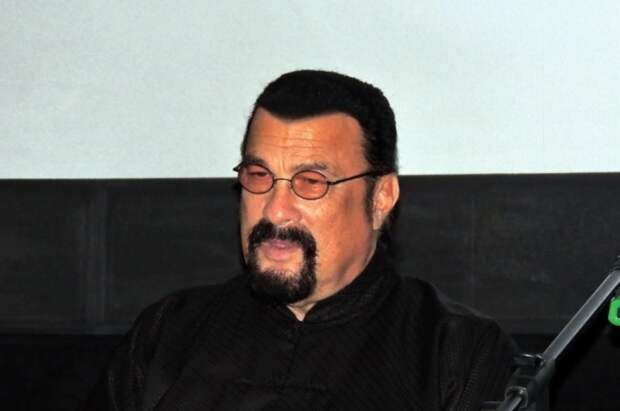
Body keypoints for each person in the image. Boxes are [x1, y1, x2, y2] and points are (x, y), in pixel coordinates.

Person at [86, 70, 516, 410]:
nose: (275, 211)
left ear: (381, 198)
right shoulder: (169, 333)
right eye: (259, 176)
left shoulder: (455, 353)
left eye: (311, 182)